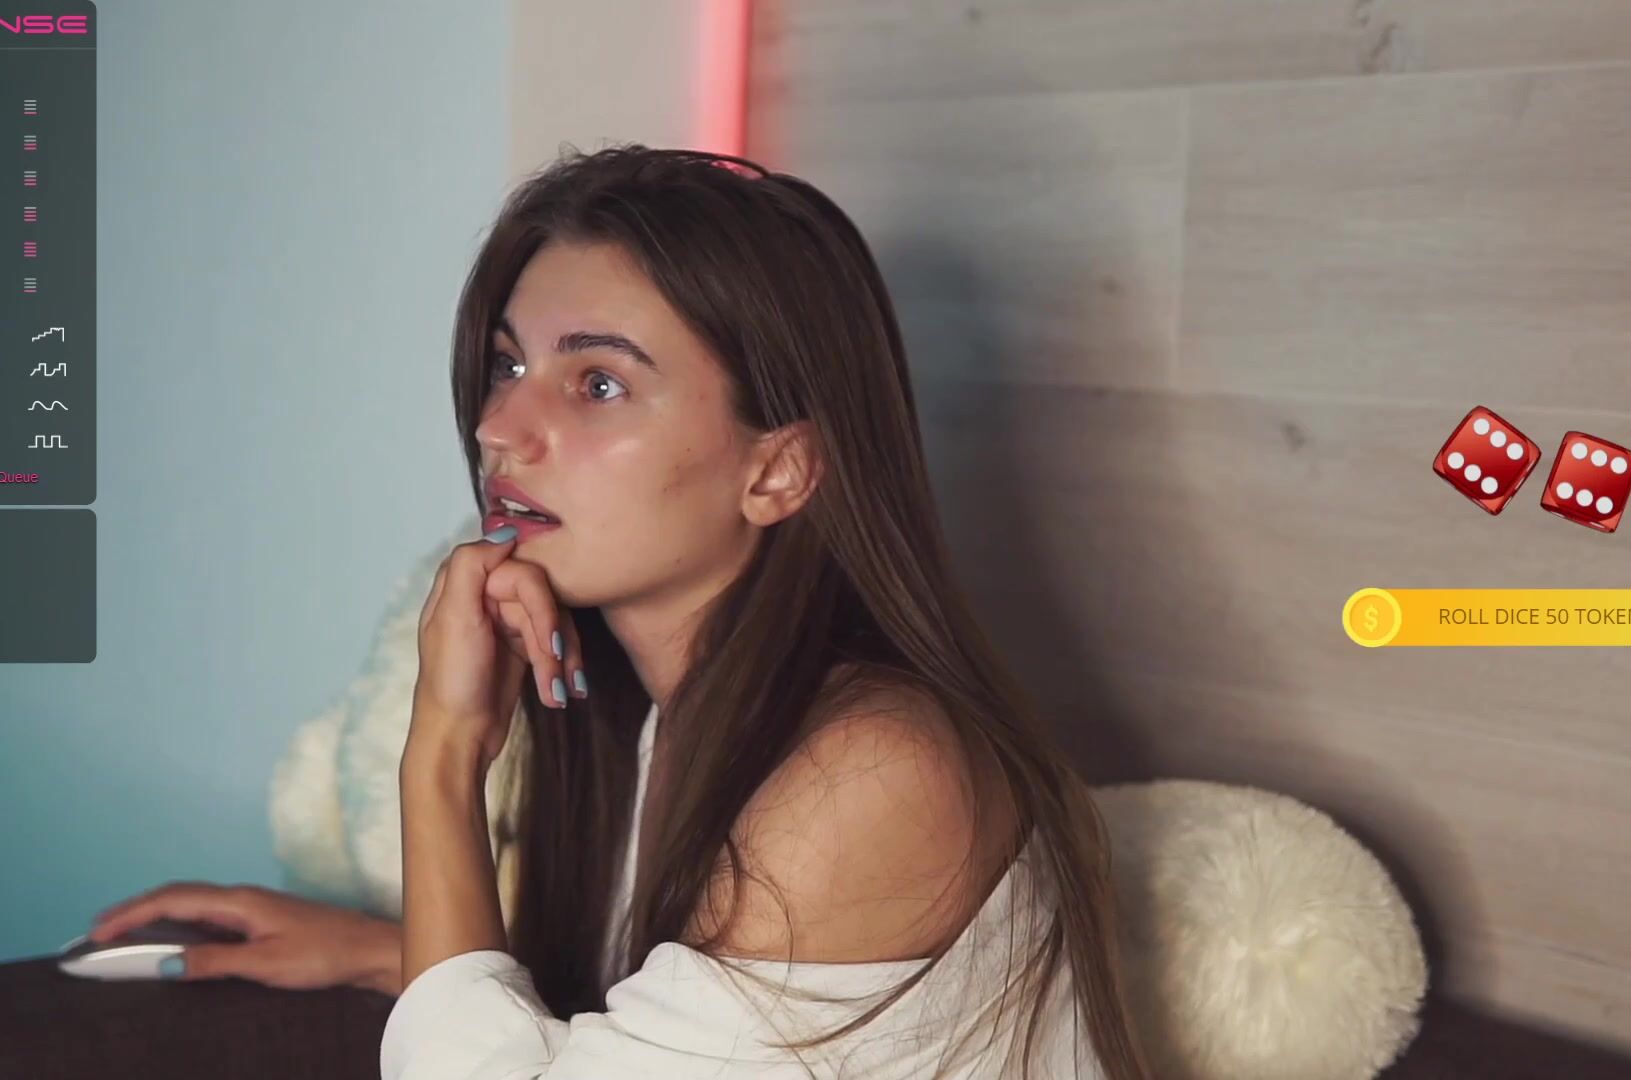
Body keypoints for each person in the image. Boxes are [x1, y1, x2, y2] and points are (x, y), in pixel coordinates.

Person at [88, 144, 1152, 1079]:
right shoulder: (662, 722)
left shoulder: (869, 770)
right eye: (508, 363)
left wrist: (443, 755)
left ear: (777, 472)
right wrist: (387, 956)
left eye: (598, 384)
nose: (500, 428)